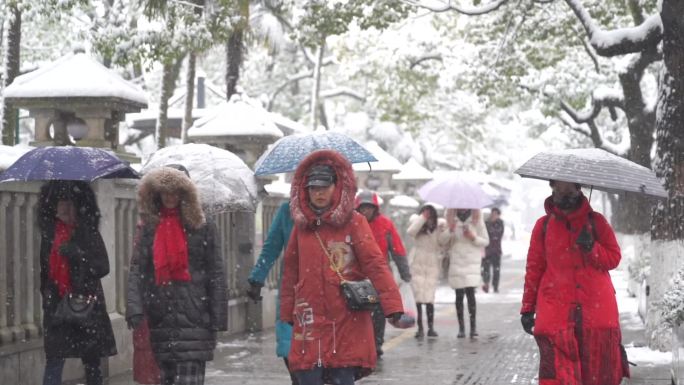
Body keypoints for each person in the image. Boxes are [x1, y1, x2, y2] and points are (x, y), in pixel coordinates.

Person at [280, 149, 404, 385]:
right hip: (310, 321)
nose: (318, 193)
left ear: (336, 187)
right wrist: (287, 312)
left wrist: (392, 306)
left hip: (346, 321)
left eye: (324, 187)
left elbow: (375, 264)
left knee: (341, 375)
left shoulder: (354, 222)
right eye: (313, 188)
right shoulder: (302, 227)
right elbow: (290, 273)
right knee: (307, 375)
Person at [520, 180, 629, 385]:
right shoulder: (543, 226)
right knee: (558, 376)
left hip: (596, 314)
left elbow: (613, 259)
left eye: (569, 187)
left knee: (597, 374)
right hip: (555, 314)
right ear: (552, 187)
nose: (564, 192)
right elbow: (534, 269)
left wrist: (592, 248)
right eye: (559, 188)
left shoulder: (596, 223)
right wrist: (527, 308)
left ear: (579, 188)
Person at [127, 167, 228, 385]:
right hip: (160, 315)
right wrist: (135, 309)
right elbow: (138, 269)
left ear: (186, 193)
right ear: (156, 194)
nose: (170, 197)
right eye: (165, 192)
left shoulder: (203, 226)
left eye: (176, 192)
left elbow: (216, 271)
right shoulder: (150, 227)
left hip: (196, 316)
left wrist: (218, 315)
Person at [38, 181, 117, 385]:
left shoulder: (89, 233)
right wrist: (47, 295)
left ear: (79, 205)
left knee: (91, 362)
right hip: (57, 307)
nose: (64, 207)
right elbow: (44, 273)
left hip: (86, 305)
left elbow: (102, 266)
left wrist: (78, 255)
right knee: (54, 358)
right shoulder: (50, 235)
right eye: (60, 202)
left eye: (69, 202)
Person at [246, 200, 298, 385]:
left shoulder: (338, 212)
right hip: (292, 289)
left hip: (328, 293)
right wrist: (257, 278)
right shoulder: (288, 210)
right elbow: (271, 247)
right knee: (288, 346)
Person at [355, 190, 411, 357]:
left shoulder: (385, 225)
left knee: (379, 311)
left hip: (380, 275)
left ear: (375, 208)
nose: (366, 211)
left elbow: (397, 249)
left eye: (369, 207)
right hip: (357, 275)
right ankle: (360, 343)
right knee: (358, 311)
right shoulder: (352, 224)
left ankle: (377, 342)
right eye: (363, 208)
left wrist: (404, 272)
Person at [444, 208, 489, 338]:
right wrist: (450, 230)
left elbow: (485, 241)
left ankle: (473, 328)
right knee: (459, 295)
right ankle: (461, 328)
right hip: (457, 261)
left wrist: (473, 237)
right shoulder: (450, 218)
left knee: (470, 295)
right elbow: (442, 241)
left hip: (472, 262)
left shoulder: (477, 218)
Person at [406, 204, 448, 338]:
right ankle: (420, 328)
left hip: (432, 263)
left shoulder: (438, 226)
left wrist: (445, 231)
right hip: (418, 262)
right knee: (418, 298)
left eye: (430, 214)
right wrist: (422, 218)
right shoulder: (417, 224)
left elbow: (442, 243)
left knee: (430, 298)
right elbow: (411, 232)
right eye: (425, 213)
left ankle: (431, 328)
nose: (428, 217)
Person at [482, 207, 504, 293]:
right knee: (485, 269)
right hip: (487, 250)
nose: (493, 215)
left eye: (496, 214)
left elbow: (498, 234)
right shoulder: (486, 222)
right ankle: (486, 284)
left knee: (496, 270)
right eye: (493, 213)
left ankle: (495, 286)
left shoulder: (500, 223)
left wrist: (491, 228)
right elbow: (484, 234)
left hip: (496, 250)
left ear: (498, 215)